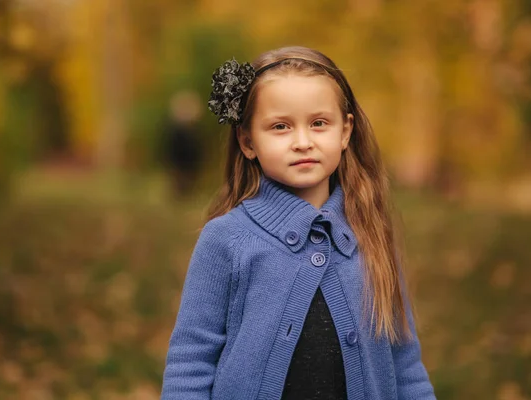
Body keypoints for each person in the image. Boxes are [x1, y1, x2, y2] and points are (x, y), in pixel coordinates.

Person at [161, 46, 436, 399]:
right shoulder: (226, 239)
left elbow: (405, 365)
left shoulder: (371, 235)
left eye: (319, 123)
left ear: (345, 131)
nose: (303, 142)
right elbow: (190, 362)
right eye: (280, 127)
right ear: (247, 141)